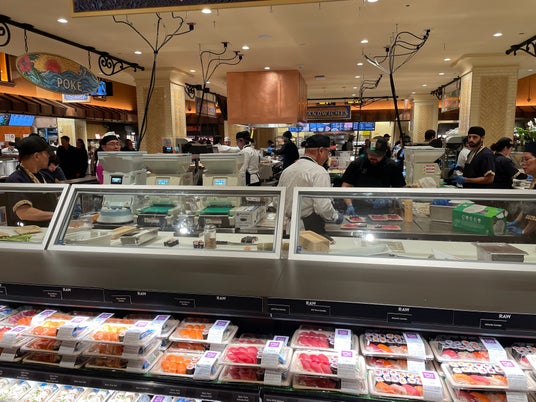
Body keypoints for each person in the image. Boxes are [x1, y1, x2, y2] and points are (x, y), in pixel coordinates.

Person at [277, 134, 343, 237]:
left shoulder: (288, 170)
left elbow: (277, 201)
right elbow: (322, 206)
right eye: (328, 152)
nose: (328, 156)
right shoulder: (319, 172)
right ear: (321, 151)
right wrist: (335, 216)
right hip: (309, 229)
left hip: (288, 227)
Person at [341, 137, 406, 215]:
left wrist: (389, 200)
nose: (373, 157)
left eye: (377, 155)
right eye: (371, 154)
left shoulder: (392, 166)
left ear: (384, 153)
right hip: (358, 209)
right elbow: (345, 186)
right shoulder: (357, 164)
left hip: (383, 211)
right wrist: (349, 205)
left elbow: (400, 190)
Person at [5, 135, 57, 226]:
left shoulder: (44, 175)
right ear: (36, 156)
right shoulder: (16, 180)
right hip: (29, 233)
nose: (49, 156)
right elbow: (24, 212)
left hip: (49, 230)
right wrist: (58, 215)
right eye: (46, 153)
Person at [506, 142, 536, 236]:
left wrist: (524, 232)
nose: (523, 164)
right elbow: (528, 206)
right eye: (522, 160)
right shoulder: (534, 180)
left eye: (526, 159)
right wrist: (516, 221)